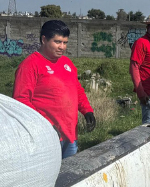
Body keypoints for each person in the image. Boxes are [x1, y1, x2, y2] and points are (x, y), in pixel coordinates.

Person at [13, 20, 95, 159]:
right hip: (46, 137)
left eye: (65, 42)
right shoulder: (30, 65)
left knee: (69, 177)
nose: (62, 47)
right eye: (57, 42)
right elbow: (21, 101)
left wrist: (87, 110)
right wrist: (45, 125)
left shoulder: (67, 63)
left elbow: (77, 90)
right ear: (44, 39)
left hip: (70, 135)